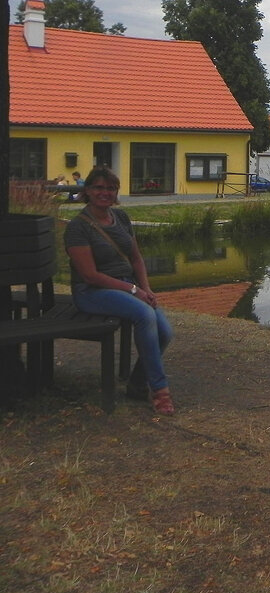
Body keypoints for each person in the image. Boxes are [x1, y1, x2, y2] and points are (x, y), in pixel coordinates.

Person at [64, 167, 176, 415]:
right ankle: (160, 391)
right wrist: (133, 289)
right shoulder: (78, 227)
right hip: (92, 292)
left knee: (165, 332)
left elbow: (136, 258)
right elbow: (89, 275)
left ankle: (137, 383)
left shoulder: (122, 218)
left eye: (110, 188)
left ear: (116, 192)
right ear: (88, 191)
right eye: (98, 188)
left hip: (129, 286)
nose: (104, 193)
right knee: (144, 316)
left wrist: (146, 288)